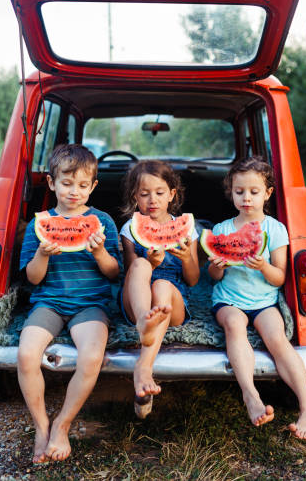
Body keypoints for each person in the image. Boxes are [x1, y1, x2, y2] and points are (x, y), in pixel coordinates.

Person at [18, 144, 121, 463]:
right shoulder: (40, 223)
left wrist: (100, 252)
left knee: (91, 358)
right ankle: (41, 425)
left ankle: (62, 424)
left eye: (81, 185)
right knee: (25, 355)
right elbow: (32, 279)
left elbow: (115, 272)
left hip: (90, 304)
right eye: (66, 183)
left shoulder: (102, 221)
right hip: (48, 302)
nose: (73, 191)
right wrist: (42, 254)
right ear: (51, 183)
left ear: (93, 186)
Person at [209, 156, 306, 441]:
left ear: (268, 193)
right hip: (228, 299)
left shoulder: (275, 229)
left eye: (254, 192)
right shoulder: (221, 230)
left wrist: (264, 266)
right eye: (239, 191)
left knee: (278, 340)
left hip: (264, 301)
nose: (246, 198)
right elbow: (213, 277)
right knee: (234, 325)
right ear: (231, 192)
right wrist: (217, 265)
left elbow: (279, 278)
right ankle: (250, 394)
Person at [119, 160, 200, 417]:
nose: (152, 199)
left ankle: (144, 367)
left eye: (160, 192)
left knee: (163, 285)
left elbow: (194, 280)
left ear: (172, 194)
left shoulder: (187, 228)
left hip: (171, 302)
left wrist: (187, 257)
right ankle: (145, 321)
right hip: (137, 301)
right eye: (144, 194)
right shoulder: (130, 229)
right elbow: (132, 273)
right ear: (135, 197)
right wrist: (151, 264)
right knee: (142, 264)